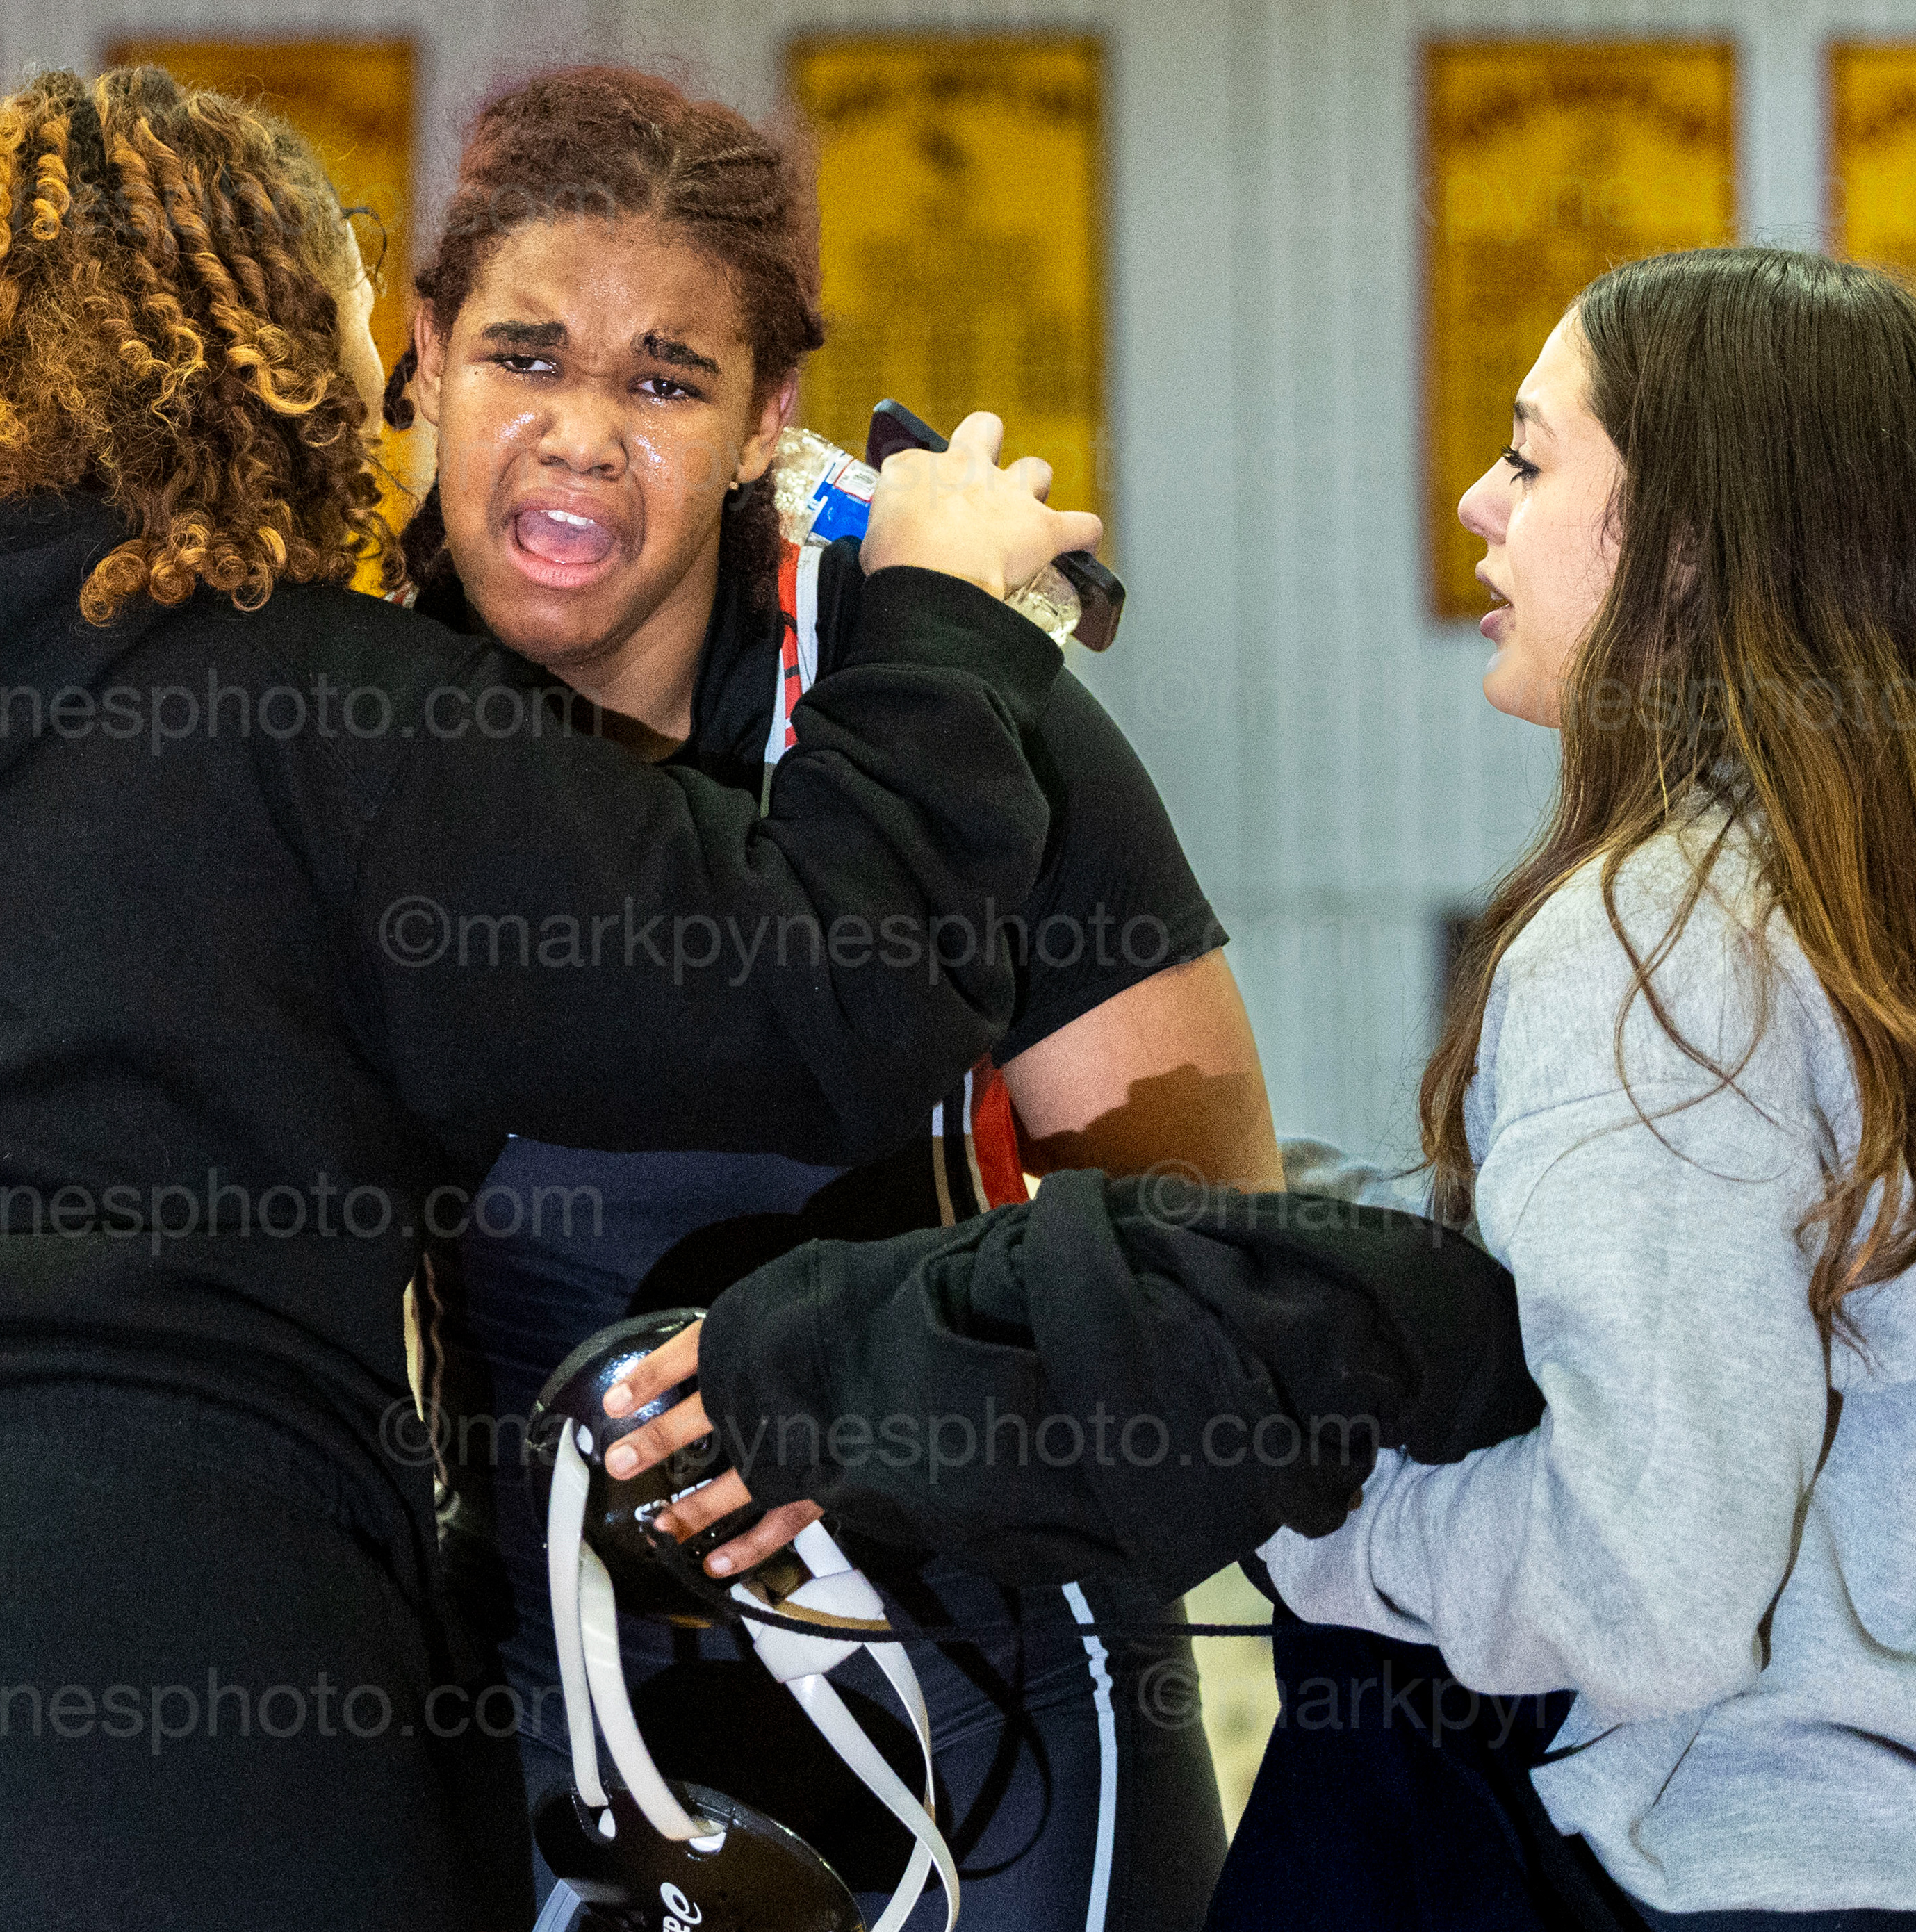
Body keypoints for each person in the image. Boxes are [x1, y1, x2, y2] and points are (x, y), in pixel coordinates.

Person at [0, 65, 1095, 1932]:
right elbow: (841, 979)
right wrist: (946, 612)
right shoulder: (321, 696)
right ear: (257, 352)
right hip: (95, 1640)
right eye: (372, 327)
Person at [373, 65, 1266, 1930]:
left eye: (665, 380)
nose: (580, 436)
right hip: (531, 1666)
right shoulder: (331, 697)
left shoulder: (947, 688)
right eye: (524, 356)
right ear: (427, 353)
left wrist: (894, 1396)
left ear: (768, 415)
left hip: (981, 1654)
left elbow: (1201, 1251)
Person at [1230, 247, 1916, 1926]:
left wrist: (1301, 1509)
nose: (1474, 501)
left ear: (1681, 549)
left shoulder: (1657, 932)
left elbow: (1642, 1589)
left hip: (1737, 1883)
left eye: (1527, 457)